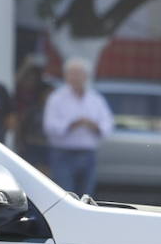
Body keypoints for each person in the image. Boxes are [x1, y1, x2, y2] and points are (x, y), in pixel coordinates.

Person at [42, 57, 114, 196]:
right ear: (66, 76)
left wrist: (94, 126)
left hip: (88, 155)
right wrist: (72, 124)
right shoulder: (56, 98)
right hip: (63, 155)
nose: (75, 78)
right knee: (65, 195)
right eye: (72, 74)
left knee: (86, 196)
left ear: (86, 76)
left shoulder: (95, 98)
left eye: (79, 74)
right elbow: (49, 126)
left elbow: (108, 124)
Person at [14, 53, 53, 174]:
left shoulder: (54, 112)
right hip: (31, 146)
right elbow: (21, 127)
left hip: (47, 146)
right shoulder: (31, 111)